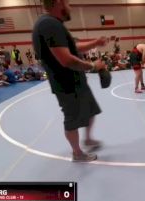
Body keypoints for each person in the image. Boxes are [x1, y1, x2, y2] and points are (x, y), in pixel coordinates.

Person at [33, 0, 108, 162]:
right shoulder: (49, 25)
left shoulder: (54, 24)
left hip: (76, 80)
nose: (70, 7)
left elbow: (73, 47)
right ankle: (77, 153)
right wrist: (93, 66)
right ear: (58, 3)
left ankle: (87, 139)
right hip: (66, 84)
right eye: (68, 3)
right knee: (72, 120)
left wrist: (95, 43)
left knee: (90, 110)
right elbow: (66, 60)